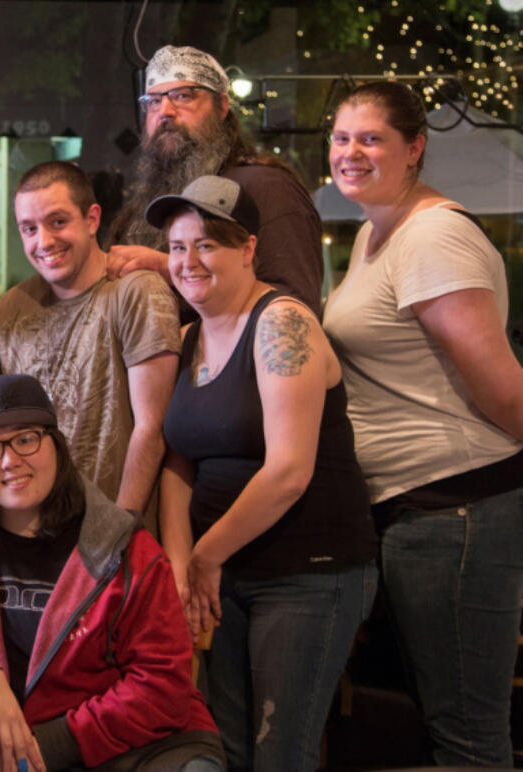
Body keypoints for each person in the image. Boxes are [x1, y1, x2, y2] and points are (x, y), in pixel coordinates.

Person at [0, 374, 223, 772]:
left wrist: (47, 745)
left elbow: (162, 688)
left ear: (56, 445)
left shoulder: (126, 548)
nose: (10, 460)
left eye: (26, 439)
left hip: (138, 746)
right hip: (1, 747)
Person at [323, 81, 523, 767]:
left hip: (459, 508)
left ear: (414, 149)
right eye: (342, 138)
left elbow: (504, 389)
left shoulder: (432, 235)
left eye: (371, 138)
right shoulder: (375, 234)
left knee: (468, 740)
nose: (352, 152)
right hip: (420, 514)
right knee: (443, 728)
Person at [148, 176, 378, 770]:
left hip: (305, 574)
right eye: (176, 246)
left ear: (248, 249)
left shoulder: (282, 324)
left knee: (280, 754)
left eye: (206, 245)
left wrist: (204, 556)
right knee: (223, 746)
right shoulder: (189, 335)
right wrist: (179, 563)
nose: (188, 261)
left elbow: (289, 473)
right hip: (221, 575)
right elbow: (177, 460)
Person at [0, 161, 179, 516]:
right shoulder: (10, 310)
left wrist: (118, 532)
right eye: (28, 228)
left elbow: (153, 431)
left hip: (115, 527)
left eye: (58, 222)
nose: (43, 241)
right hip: (36, 531)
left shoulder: (136, 292)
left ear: (92, 219)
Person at [107, 45, 323, 315]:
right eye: (153, 101)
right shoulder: (144, 205)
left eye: (183, 96)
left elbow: (295, 306)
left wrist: (175, 268)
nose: (165, 111)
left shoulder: (265, 186)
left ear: (221, 106)